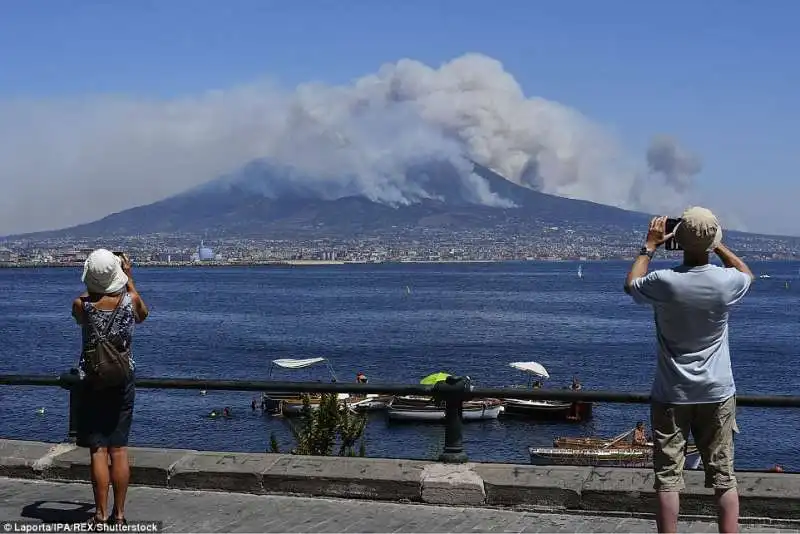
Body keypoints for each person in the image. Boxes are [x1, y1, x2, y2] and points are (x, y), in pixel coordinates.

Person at [624, 208, 753, 534]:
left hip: (671, 392)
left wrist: (649, 246)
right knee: (724, 476)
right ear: (712, 241)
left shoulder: (665, 282)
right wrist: (716, 244)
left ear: (677, 239)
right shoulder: (726, 283)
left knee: (668, 478)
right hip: (717, 391)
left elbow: (631, 285)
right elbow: (745, 273)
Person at [72, 249, 149, 527]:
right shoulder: (131, 301)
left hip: (93, 379)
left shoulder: (81, 305)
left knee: (98, 450)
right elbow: (143, 315)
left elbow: (82, 315)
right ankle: (119, 515)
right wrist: (128, 277)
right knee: (119, 449)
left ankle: (100, 514)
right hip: (123, 377)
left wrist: (97, 280)